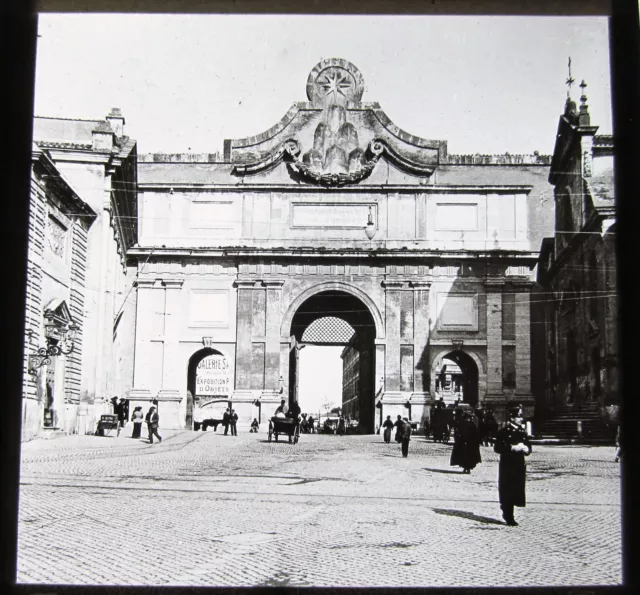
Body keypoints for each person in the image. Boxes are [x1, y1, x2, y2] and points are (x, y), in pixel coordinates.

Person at [494, 404, 532, 526]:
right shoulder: (504, 432)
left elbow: (528, 445)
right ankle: (508, 515)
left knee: (516, 490)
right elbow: (497, 448)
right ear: (512, 418)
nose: (521, 419)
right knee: (507, 490)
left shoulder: (522, 431)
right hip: (507, 465)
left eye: (521, 416)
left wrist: (527, 450)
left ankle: (508, 511)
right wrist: (512, 448)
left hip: (519, 465)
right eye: (518, 416)